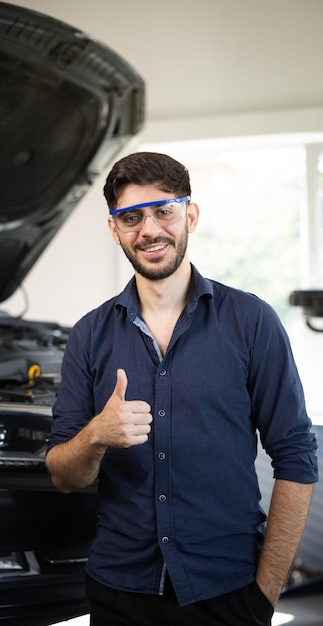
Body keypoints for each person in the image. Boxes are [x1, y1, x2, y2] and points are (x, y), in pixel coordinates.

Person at [45, 151, 318, 626]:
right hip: (119, 591)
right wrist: (96, 435)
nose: (149, 229)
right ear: (114, 229)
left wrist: (266, 594)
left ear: (190, 214)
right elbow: (64, 477)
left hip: (227, 589)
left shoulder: (251, 322)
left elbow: (296, 457)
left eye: (164, 211)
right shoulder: (88, 335)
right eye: (130, 217)